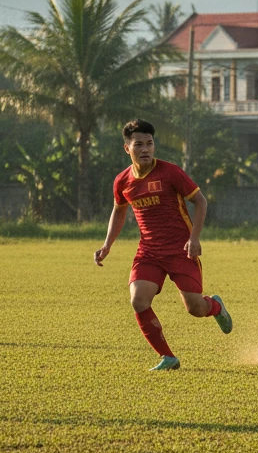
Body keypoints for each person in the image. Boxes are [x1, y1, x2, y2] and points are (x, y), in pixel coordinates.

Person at [94, 119, 232, 371]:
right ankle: (168, 357)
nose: (145, 149)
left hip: (181, 250)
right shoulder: (122, 181)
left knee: (195, 309)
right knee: (138, 300)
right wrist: (107, 245)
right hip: (149, 252)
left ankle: (215, 306)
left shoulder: (171, 172)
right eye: (139, 144)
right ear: (127, 148)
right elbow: (119, 212)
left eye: (149, 143)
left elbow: (200, 202)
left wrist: (195, 238)